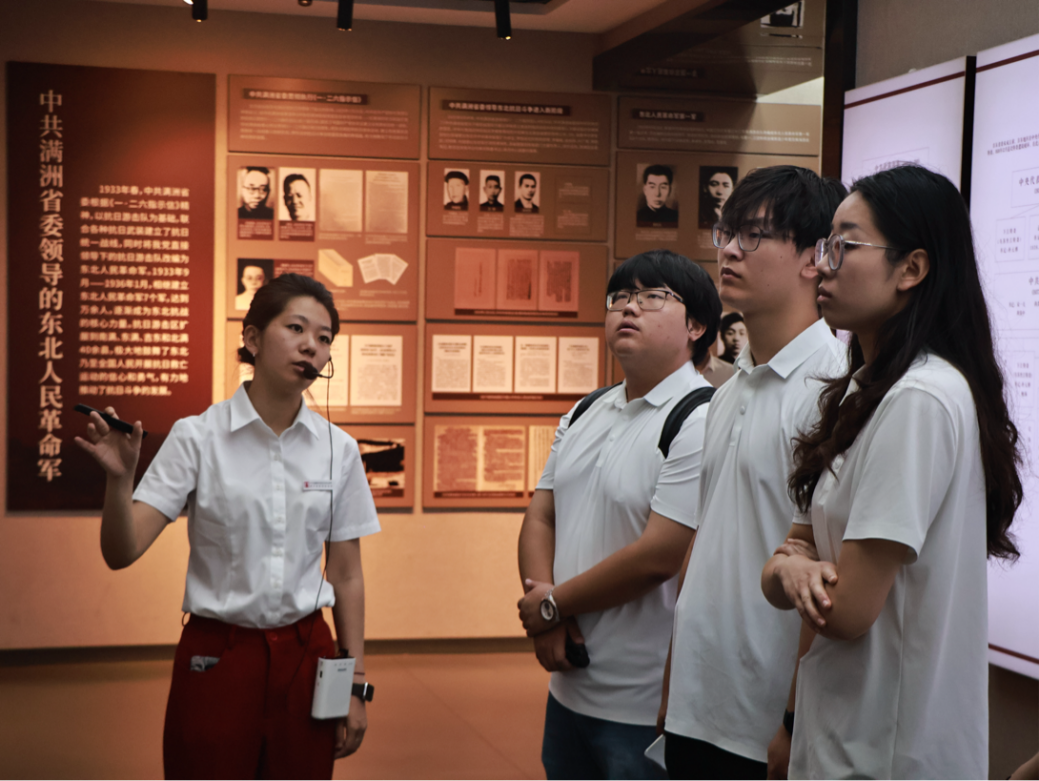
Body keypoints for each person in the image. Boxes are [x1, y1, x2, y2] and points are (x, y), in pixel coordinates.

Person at [761, 164, 1023, 780]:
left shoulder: (920, 399)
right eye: (825, 245)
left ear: (912, 268)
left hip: (889, 752)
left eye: (844, 247)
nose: (822, 265)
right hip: (847, 735)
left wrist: (790, 567)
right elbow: (784, 565)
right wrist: (790, 567)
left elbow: (845, 609)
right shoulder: (864, 390)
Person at [75, 273, 380, 781]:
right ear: (253, 338)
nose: (312, 346)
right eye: (296, 328)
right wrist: (119, 482)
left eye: (324, 337)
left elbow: (346, 575)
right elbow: (121, 551)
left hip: (307, 655)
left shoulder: (340, 450)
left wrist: (356, 685)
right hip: (217, 657)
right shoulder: (198, 437)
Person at [659, 165, 847, 780]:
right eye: (727, 233)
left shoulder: (833, 388)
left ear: (815, 257)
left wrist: (792, 720)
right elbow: (708, 541)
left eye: (755, 235)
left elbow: (828, 569)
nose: (731, 250)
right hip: (697, 703)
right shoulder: (732, 386)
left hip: (765, 722)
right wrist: (673, 683)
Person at [517, 248, 722, 781]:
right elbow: (541, 516)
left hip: (642, 703)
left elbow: (658, 556)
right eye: (621, 296)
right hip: (568, 683)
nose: (629, 307)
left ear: (696, 326)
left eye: (653, 296)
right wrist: (544, 606)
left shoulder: (701, 418)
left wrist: (551, 607)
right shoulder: (586, 409)